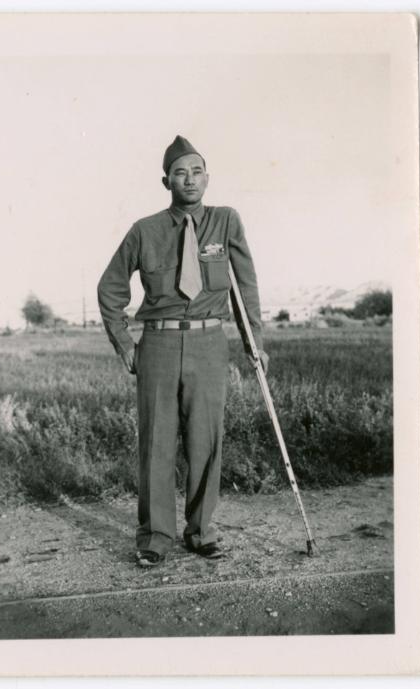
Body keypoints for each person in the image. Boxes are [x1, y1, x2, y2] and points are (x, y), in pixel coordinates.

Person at [97, 135, 268, 567]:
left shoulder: (226, 221)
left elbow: (245, 288)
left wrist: (256, 345)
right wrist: (124, 344)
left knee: (204, 441)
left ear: (207, 178)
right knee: (156, 442)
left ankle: (201, 530)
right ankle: (156, 535)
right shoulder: (144, 230)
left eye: (196, 171)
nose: (188, 179)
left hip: (210, 343)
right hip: (157, 343)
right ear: (165, 180)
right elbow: (110, 288)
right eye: (179, 173)